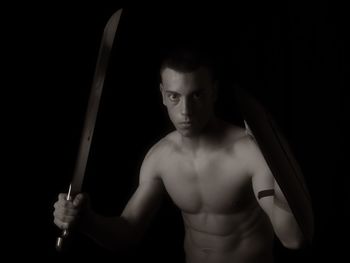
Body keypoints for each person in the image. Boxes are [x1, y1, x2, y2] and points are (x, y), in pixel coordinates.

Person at [53, 47, 313, 263]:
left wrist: (281, 167)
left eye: (196, 95)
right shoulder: (161, 158)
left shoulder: (249, 153)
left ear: (214, 92)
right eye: (174, 96)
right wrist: (86, 221)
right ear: (163, 96)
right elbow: (128, 233)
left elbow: (292, 238)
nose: (185, 111)